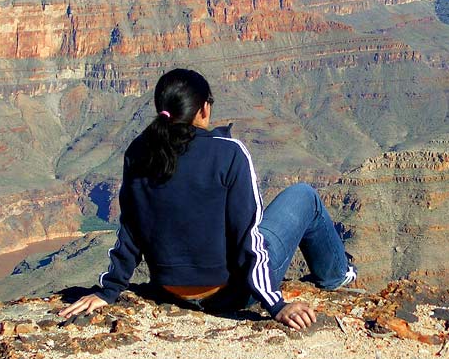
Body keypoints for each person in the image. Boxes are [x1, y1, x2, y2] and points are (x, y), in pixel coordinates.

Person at [59, 68, 357, 330]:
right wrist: (276, 305)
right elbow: (248, 239)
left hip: (171, 291)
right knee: (303, 196)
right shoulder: (229, 153)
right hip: (231, 294)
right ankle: (337, 276)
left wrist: (108, 290)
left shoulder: (139, 152)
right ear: (203, 109)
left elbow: (130, 231)